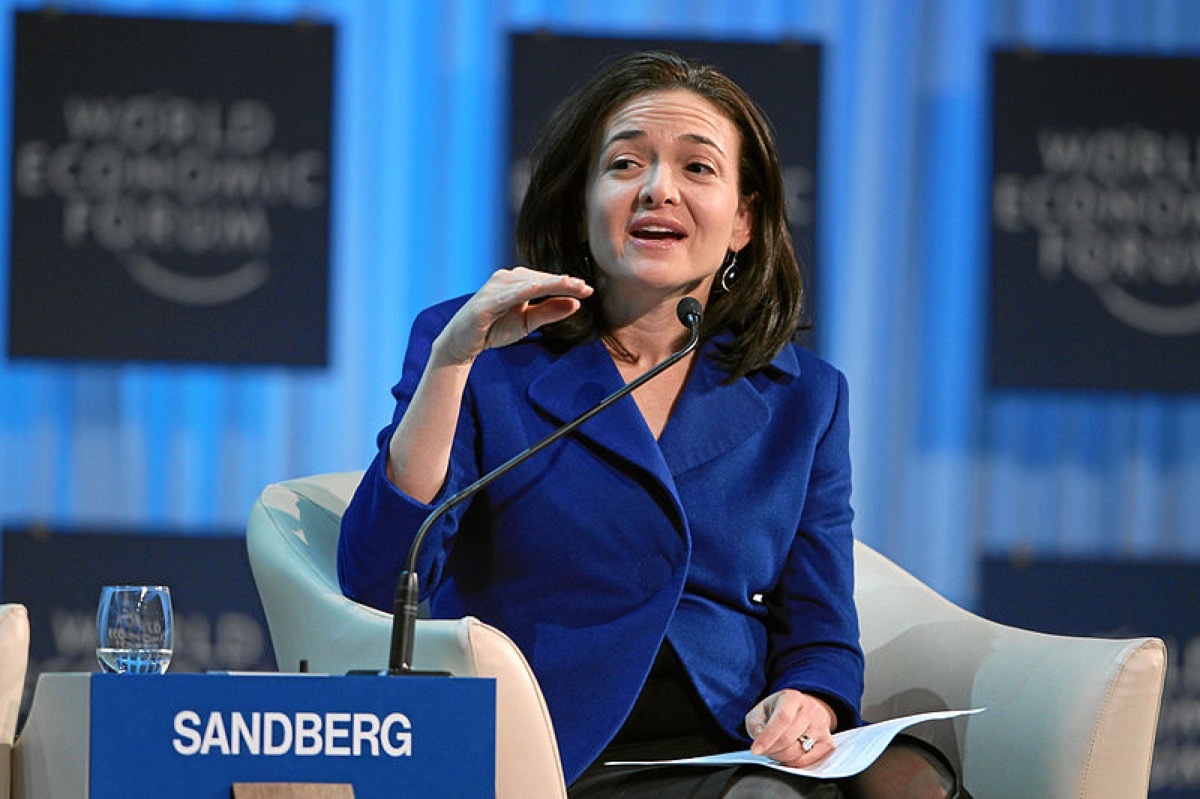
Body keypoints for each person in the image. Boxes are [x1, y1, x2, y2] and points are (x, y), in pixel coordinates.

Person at [338, 50, 969, 798]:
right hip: (550, 750)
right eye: (626, 164)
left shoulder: (805, 398)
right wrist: (450, 364)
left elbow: (820, 623)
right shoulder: (482, 350)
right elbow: (380, 581)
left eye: (697, 168)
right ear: (582, 203)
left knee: (915, 781)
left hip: (731, 743)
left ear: (743, 221)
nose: (658, 189)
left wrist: (812, 697)